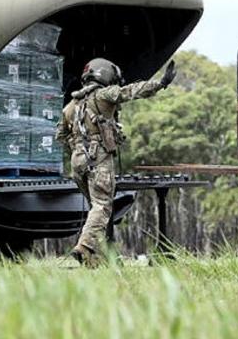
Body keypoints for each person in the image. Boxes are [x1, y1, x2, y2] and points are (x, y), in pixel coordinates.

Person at [56, 57, 177, 265]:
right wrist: (161, 83)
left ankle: (96, 260)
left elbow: (60, 134)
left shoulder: (72, 105)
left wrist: (77, 147)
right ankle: (84, 246)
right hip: (98, 158)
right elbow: (131, 91)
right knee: (102, 206)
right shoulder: (104, 95)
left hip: (78, 163)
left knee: (96, 208)